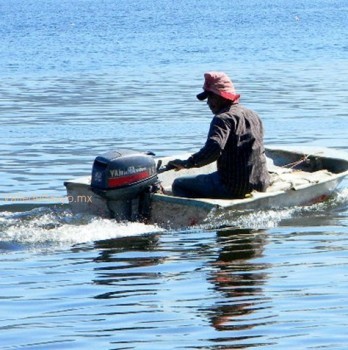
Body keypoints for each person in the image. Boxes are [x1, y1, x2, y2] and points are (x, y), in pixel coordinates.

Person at [167, 71, 270, 199]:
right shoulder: (253, 115)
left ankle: (196, 216)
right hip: (260, 183)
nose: (208, 103)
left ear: (222, 96)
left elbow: (213, 150)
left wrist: (187, 163)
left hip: (233, 187)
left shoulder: (223, 118)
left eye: (210, 97)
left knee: (179, 184)